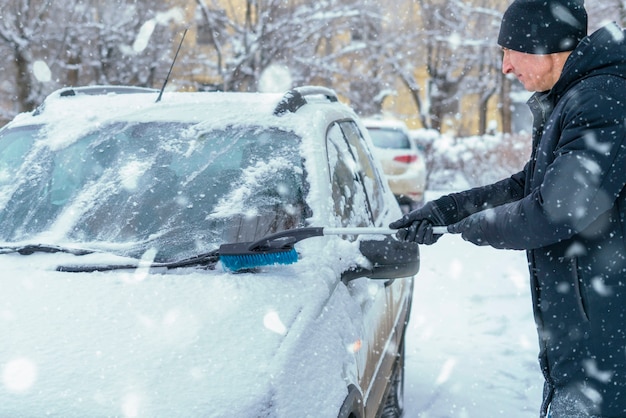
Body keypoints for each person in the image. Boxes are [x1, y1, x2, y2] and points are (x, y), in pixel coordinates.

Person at [390, 1, 626, 417]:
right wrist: (446, 209)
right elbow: (528, 184)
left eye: (508, 51)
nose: (505, 68)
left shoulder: (600, 100)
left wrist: (468, 228)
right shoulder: (578, 95)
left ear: (543, 45)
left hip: (607, 344)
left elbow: (554, 211)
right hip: (591, 337)